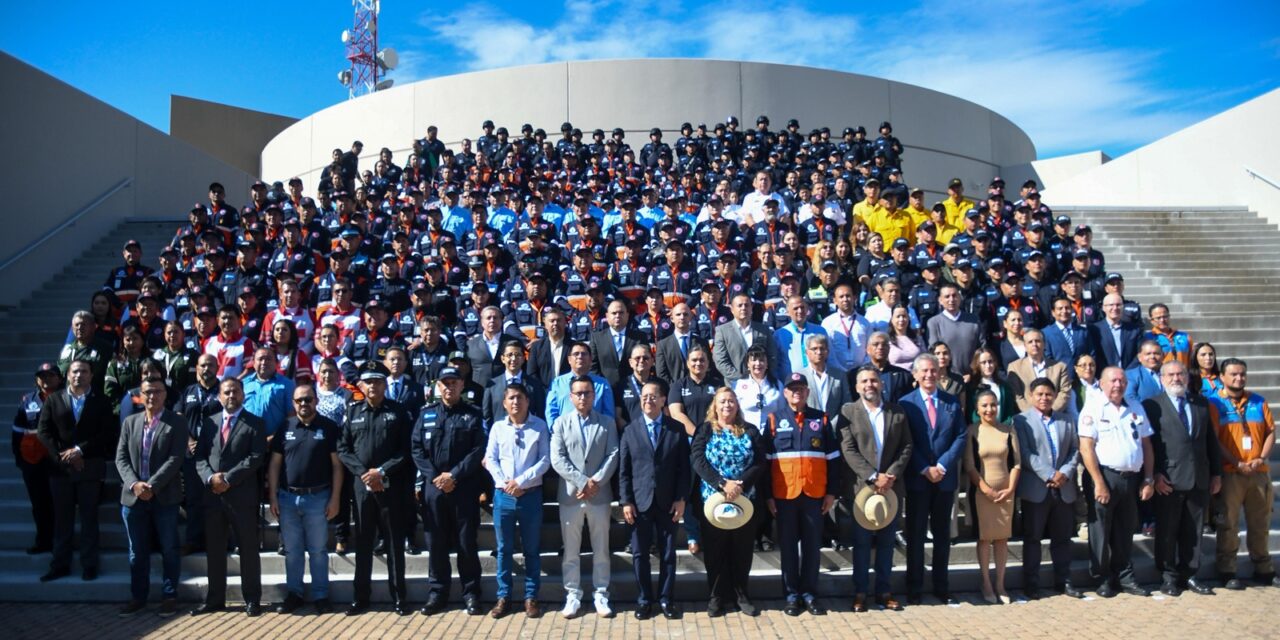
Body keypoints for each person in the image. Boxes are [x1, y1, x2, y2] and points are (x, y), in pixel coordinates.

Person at [338, 361, 416, 616]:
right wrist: (364, 473)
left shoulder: (398, 411)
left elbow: (406, 450)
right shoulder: (352, 411)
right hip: (362, 489)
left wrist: (380, 472)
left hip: (390, 486)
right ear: (361, 385)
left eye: (378, 381)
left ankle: (399, 597)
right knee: (362, 542)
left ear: (385, 384)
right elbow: (343, 449)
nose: (373, 385)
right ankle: (361, 598)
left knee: (394, 543)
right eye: (368, 381)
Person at [836, 366, 912, 612]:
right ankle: (860, 592)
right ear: (857, 387)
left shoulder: (896, 412)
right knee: (861, 544)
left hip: (890, 488)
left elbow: (907, 446)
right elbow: (848, 449)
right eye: (864, 381)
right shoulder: (849, 411)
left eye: (874, 380)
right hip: (862, 490)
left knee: (887, 543)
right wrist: (871, 476)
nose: (870, 384)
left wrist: (890, 475)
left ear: (881, 384)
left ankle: (884, 591)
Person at [414, 367, 488, 616]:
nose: (449, 387)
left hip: (463, 488)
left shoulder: (473, 414)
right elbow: (416, 449)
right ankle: (437, 594)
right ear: (437, 386)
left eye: (454, 382)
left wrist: (453, 475)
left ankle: (471, 594)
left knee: (467, 544)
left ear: (462, 385)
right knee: (436, 544)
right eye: (444, 383)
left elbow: (478, 450)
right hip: (434, 489)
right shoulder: (426, 415)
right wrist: (436, 477)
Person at [1142, 361, 1220, 596]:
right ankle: (1168, 577)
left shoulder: (1200, 403)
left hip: (1199, 478)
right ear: (1163, 378)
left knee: (1193, 530)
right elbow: (1150, 445)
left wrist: (1216, 473)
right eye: (1171, 374)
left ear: (1187, 377)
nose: (1176, 378)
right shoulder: (1152, 405)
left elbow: (1210, 442)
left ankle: (1190, 574)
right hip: (1169, 480)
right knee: (1167, 530)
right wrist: (1154, 475)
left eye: (1180, 374)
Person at [192, 377, 268, 616]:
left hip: (242, 497)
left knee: (248, 549)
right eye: (226, 392)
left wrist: (228, 479)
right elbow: (200, 457)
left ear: (243, 394)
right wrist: (210, 479)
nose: (231, 396)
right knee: (214, 549)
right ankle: (215, 599)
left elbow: (255, 457)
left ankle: (252, 599)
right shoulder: (210, 423)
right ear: (219, 396)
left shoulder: (255, 423)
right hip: (213, 496)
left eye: (235, 391)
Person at [1077, 366, 1155, 598]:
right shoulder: (1093, 408)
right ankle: (1102, 577)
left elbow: (1147, 445)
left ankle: (1124, 575)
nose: (1118, 385)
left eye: (1121, 380)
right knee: (1100, 530)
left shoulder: (1135, 407)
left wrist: (1149, 478)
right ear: (1101, 383)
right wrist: (1099, 482)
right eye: (1112, 381)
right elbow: (1086, 447)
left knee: (1125, 529)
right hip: (1104, 476)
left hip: (1131, 479)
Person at [267, 384, 344, 615]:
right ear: (293, 403)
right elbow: (274, 464)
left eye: (308, 399)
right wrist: (273, 496)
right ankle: (295, 594)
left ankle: (321, 596)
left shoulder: (329, 428)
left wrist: (335, 499)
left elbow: (337, 467)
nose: (304, 404)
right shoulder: (285, 427)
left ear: (316, 401)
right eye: (299, 400)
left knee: (318, 550)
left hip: (318, 498)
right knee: (292, 550)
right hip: (288, 498)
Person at [115, 376, 188, 617]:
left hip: (164, 497)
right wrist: (135, 484)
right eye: (147, 392)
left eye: (157, 392)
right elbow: (121, 458)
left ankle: (169, 596)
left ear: (165, 395)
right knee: (137, 551)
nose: (152, 396)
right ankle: (139, 597)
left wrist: (152, 486)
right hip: (133, 498)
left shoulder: (176, 423)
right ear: (140, 395)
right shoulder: (130, 422)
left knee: (169, 548)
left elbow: (176, 458)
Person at [765, 373, 838, 616]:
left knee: (811, 547)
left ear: (807, 392)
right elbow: (766, 462)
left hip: (814, 494)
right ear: (784, 393)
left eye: (801, 388)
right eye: (792, 388)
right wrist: (768, 495)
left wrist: (831, 493)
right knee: (787, 548)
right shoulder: (774, 420)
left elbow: (833, 459)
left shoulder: (821, 419)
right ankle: (791, 596)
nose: (797, 392)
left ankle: (809, 594)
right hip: (784, 496)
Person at [36, 359, 114, 583]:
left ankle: (89, 565)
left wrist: (80, 451)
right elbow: (44, 432)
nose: (79, 375)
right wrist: (65, 457)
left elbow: (107, 432)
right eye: (75, 372)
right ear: (67, 375)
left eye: (84, 371)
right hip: (60, 470)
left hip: (90, 467)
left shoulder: (102, 401)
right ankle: (59, 564)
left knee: (89, 518)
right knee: (62, 519)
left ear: (91, 375)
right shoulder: (53, 399)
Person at [692, 388, 767, 617]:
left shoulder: (750, 431)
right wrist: (722, 483)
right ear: (715, 405)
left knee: (741, 551)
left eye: (731, 401)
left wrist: (740, 484)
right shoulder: (704, 430)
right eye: (723, 401)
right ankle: (716, 597)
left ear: (737, 405)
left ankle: (741, 595)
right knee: (715, 552)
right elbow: (697, 459)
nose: (727, 405)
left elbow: (760, 461)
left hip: (744, 502)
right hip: (713, 502)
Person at [618, 380, 691, 620]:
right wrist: (626, 501)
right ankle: (644, 600)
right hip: (640, 503)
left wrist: (681, 499)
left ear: (662, 400)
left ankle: (666, 600)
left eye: (653, 396)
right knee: (639, 554)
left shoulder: (676, 429)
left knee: (668, 554)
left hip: (668, 502)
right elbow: (624, 471)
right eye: (644, 396)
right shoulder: (630, 430)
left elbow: (683, 470)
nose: (647, 400)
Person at [550, 376, 620, 618]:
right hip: (571, 495)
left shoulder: (607, 423)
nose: (583, 397)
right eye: (578, 393)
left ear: (594, 395)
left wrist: (595, 482)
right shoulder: (560, 423)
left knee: (601, 548)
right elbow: (557, 458)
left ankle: (601, 593)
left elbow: (613, 454)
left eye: (587, 393)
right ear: (571, 397)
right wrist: (582, 482)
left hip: (599, 495)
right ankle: (573, 594)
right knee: (571, 550)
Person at [900, 353, 965, 604]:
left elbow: (960, 437)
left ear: (939, 373)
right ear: (915, 375)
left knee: (941, 537)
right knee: (915, 536)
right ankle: (914, 588)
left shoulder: (951, 402)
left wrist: (942, 465)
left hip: (944, 480)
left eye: (933, 370)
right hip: (918, 479)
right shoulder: (906, 404)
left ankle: (941, 586)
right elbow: (906, 441)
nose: (929, 375)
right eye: (923, 371)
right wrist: (925, 468)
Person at [1208, 358, 1278, 589]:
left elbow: (1270, 432)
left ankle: (1263, 566)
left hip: (1258, 472)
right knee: (1228, 523)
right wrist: (1235, 462)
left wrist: (1261, 458)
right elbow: (1215, 439)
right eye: (1234, 374)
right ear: (1222, 377)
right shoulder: (1214, 403)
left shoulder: (1258, 401)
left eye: (1242, 374)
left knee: (1260, 521)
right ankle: (1227, 569)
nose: (1239, 378)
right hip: (1231, 473)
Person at [484, 383, 551, 619]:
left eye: (520, 397)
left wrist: (520, 482)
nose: (515, 402)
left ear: (527, 401)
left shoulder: (540, 426)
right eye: (511, 398)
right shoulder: (497, 428)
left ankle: (531, 597)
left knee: (531, 549)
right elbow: (490, 459)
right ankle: (504, 597)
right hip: (503, 496)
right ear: (504, 403)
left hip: (530, 496)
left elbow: (544, 460)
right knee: (504, 550)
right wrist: (505, 483)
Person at [1013, 378, 1085, 600]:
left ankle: (1063, 581)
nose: (1044, 398)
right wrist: (1049, 473)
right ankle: (1031, 584)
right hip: (1037, 487)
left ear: (1054, 396)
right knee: (1033, 538)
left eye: (1048, 394)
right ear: (1032, 396)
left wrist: (1064, 473)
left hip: (1063, 488)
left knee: (1062, 538)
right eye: (1040, 394)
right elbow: (1025, 453)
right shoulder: (1021, 420)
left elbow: (1075, 450)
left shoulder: (1066, 420)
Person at [963, 388, 1022, 604]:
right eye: (985, 406)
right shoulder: (972, 431)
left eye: (993, 405)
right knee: (985, 538)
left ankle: (1000, 584)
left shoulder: (1009, 431)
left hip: (1006, 493)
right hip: (982, 494)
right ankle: (986, 582)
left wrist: (1010, 489)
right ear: (977, 409)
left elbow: (1016, 463)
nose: (990, 409)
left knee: (1002, 539)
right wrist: (986, 489)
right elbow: (969, 465)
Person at [667, 345, 720, 553]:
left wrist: (707, 435)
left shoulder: (717, 384)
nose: (698, 363)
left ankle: (712, 531)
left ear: (708, 364)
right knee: (688, 491)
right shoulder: (678, 385)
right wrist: (698, 436)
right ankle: (692, 535)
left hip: (714, 442)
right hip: (689, 445)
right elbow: (676, 413)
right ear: (688, 363)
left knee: (712, 488)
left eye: (702, 360)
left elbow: (721, 411)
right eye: (694, 360)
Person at [12, 363, 61, 556]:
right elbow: (17, 431)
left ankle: (61, 541)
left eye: (51, 375)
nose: (46, 379)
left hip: (57, 461)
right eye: (42, 376)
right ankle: (43, 540)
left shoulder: (66, 398)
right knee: (39, 504)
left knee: (60, 504)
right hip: (33, 461)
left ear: (59, 378)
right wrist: (20, 459)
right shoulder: (28, 400)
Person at [712, 293, 778, 386]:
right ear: (732, 309)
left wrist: (764, 376)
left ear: (751, 308)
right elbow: (720, 360)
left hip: (762, 383)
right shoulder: (722, 331)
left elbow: (772, 356)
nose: (743, 308)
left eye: (747, 305)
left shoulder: (763, 329)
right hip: (735, 385)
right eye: (739, 305)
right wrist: (740, 379)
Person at [545, 341, 615, 426]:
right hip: (564, 435)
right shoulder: (557, 383)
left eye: (584, 354)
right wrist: (556, 431)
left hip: (596, 434)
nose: (580, 357)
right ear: (569, 359)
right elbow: (551, 412)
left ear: (590, 359)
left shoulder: (602, 384)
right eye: (576, 354)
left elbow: (608, 414)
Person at [924, 282, 984, 377]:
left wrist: (973, 372)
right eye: (947, 297)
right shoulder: (934, 323)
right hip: (947, 378)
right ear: (940, 300)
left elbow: (981, 349)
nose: (951, 299)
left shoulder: (973, 320)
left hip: (973, 376)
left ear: (960, 298)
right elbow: (934, 353)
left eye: (954, 295)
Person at [483, 340, 546, 428]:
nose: (513, 359)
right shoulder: (492, 385)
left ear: (524, 359)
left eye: (518, 355)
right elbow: (487, 416)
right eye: (509, 355)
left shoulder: (534, 385)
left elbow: (540, 413)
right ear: (502, 358)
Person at [1006, 329, 1071, 412]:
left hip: (1055, 415)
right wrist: (1034, 415)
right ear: (1025, 346)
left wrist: (1051, 412)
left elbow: (1065, 392)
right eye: (1030, 342)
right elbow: (1017, 396)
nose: (1034, 344)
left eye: (1037, 341)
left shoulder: (1059, 367)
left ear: (1044, 344)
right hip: (1028, 418)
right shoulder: (1015, 368)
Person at [589, 299, 648, 389]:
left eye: (621, 313)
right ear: (607, 316)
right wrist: (601, 386)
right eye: (614, 313)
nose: (618, 316)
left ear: (627, 315)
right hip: (606, 388)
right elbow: (593, 366)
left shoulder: (640, 337)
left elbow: (646, 363)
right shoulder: (597, 338)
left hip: (634, 389)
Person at [242, 347, 296, 439]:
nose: (264, 362)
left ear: (276, 363)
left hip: (275, 441)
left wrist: (274, 437)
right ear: (254, 363)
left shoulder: (287, 385)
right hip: (246, 440)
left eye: (268, 359)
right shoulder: (243, 384)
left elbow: (291, 416)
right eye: (260, 359)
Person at [771, 295, 827, 381]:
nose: (800, 311)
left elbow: (830, 359)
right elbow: (775, 364)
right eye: (795, 308)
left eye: (802, 307)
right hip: (791, 384)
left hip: (817, 381)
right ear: (787, 312)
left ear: (807, 309)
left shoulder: (820, 331)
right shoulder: (779, 334)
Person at [821, 282, 871, 371]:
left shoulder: (865, 322)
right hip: (836, 372)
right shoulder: (827, 323)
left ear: (854, 298)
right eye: (841, 297)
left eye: (848, 296)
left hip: (862, 372)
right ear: (835, 300)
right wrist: (840, 370)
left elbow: (870, 348)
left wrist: (863, 368)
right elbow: (827, 350)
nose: (845, 299)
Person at [732, 346, 781, 431]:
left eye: (761, 360)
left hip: (772, 434)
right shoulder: (738, 385)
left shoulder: (777, 385)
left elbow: (783, 412)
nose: (758, 363)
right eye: (754, 360)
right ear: (747, 364)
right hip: (746, 434)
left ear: (767, 363)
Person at [1089, 293, 1142, 370]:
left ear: (1123, 307)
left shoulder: (1134, 330)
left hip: (1130, 375)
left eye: (1118, 305)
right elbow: (1094, 354)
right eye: (1111, 305)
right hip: (1104, 375)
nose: (1115, 308)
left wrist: (1128, 372)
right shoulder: (1094, 329)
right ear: (1103, 308)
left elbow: (1140, 353)